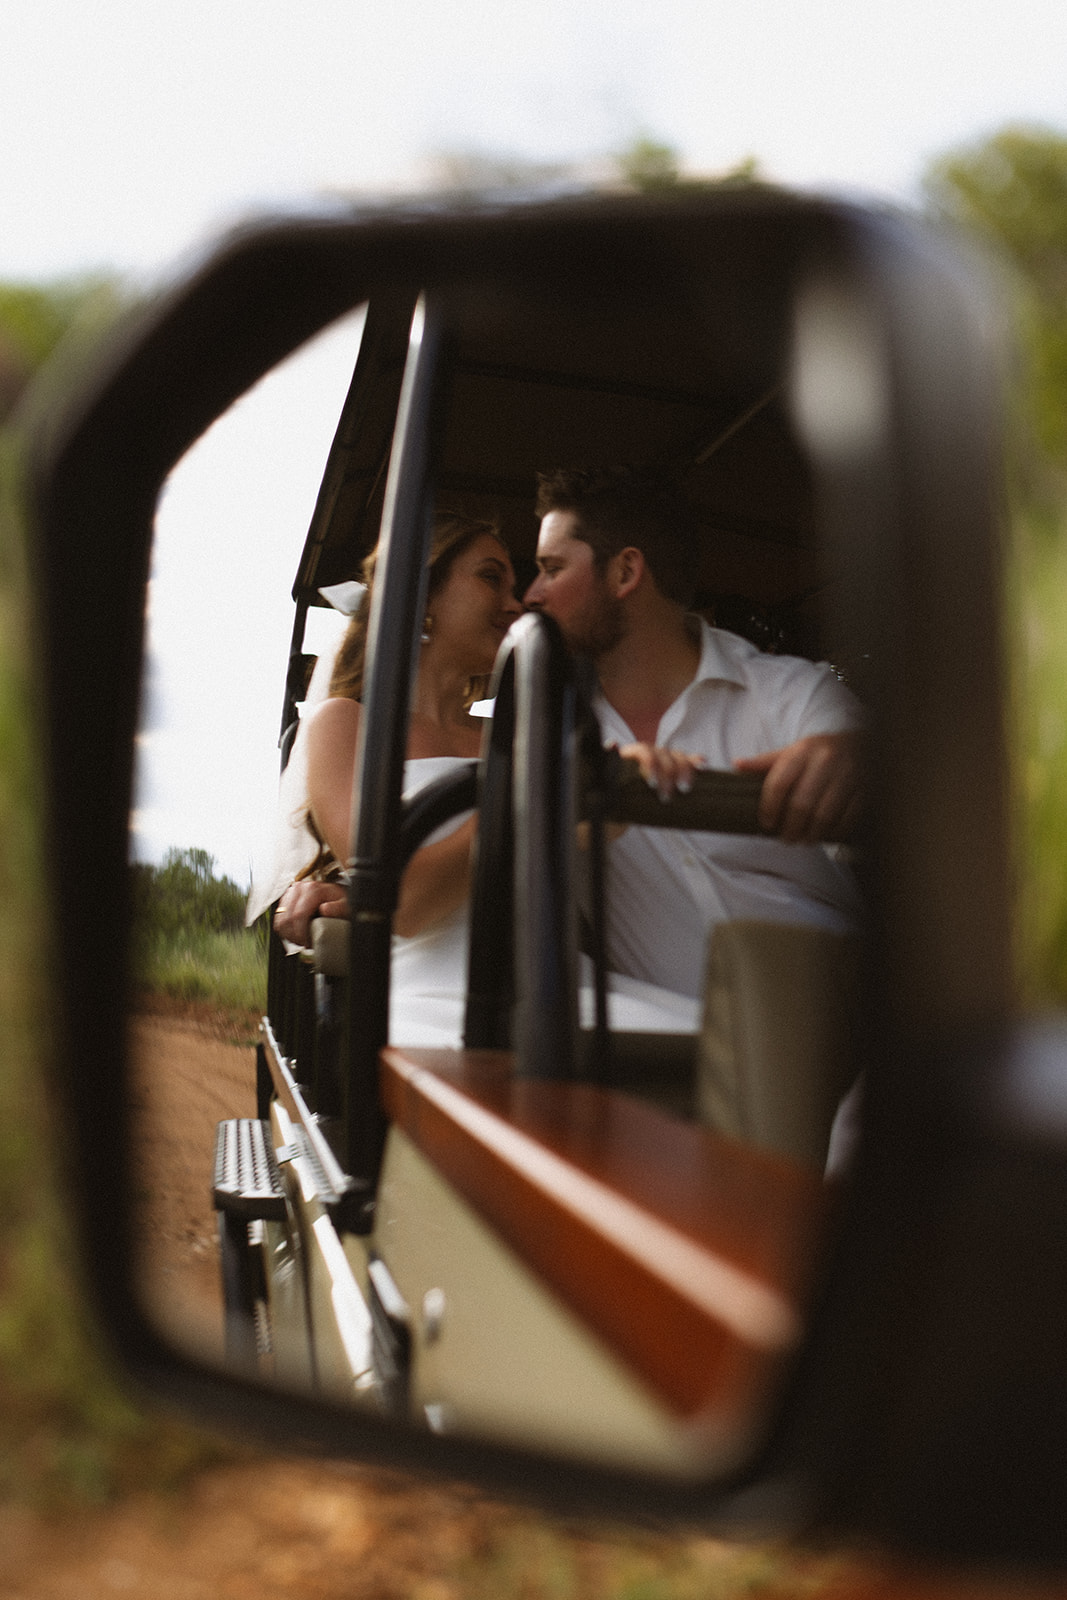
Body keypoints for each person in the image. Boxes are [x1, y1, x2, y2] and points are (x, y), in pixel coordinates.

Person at [273, 511, 700, 1044]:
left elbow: (581, 841)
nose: (515, 603)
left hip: (562, 986)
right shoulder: (346, 724)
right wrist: (540, 807)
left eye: (515, 585)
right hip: (435, 999)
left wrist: (624, 780)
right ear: (422, 596)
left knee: (728, 1048)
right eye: (490, 577)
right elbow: (403, 901)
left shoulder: (516, 735)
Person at [523, 467, 863, 1001]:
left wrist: (856, 760)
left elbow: (898, 781)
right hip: (662, 1058)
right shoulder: (547, 735)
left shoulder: (793, 694)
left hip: (845, 1032)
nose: (530, 595)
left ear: (625, 572)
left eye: (551, 568)